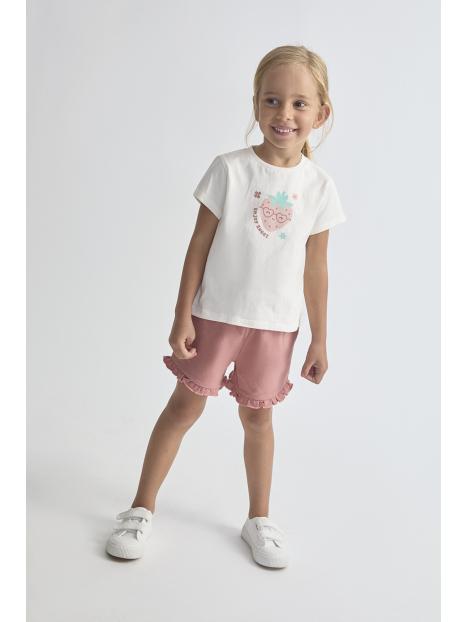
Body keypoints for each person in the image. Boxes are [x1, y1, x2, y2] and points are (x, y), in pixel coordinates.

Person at [106, 44, 347, 568]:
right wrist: (182, 314)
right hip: (214, 316)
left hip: (275, 326)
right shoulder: (230, 170)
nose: (284, 114)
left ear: (321, 113)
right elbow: (198, 246)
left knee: (258, 420)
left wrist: (320, 338)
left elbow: (316, 268)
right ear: (256, 104)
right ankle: (140, 508)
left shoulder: (319, 187)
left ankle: (259, 518)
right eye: (272, 100)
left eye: (300, 104)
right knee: (183, 408)